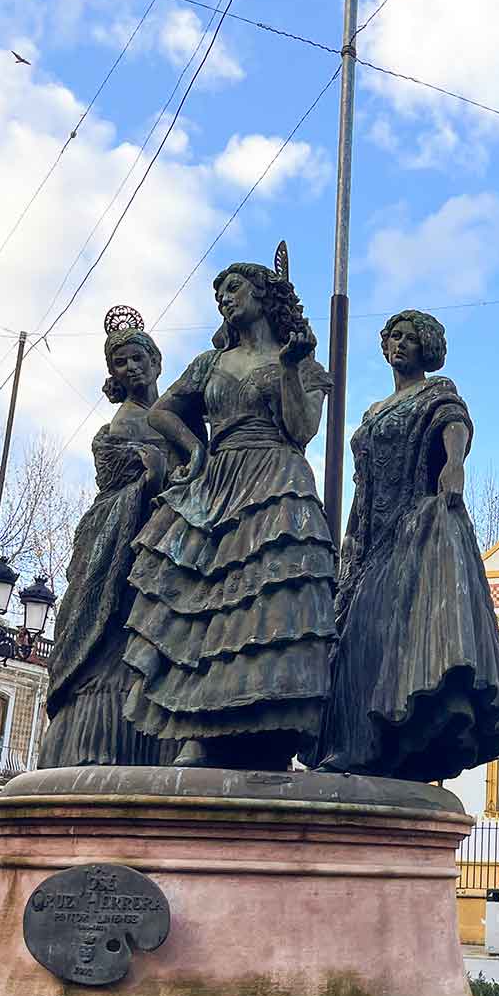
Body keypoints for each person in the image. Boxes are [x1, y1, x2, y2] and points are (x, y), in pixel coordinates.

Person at [123, 254, 336, 770]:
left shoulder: (302, 363)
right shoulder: (209, 362)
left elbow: (302, 428)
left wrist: (288, 367)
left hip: (278, 474)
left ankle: (271, 726)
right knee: (205, 603)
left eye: (233, 287)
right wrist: (195, 449)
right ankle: (199, 729)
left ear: (263, 295)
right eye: (219, 293)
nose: (223, 298)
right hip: (219, 481)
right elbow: (162, 411)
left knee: (275, 598)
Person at [321, 308, 499, 781]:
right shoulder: (373, 413)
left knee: (397, 633)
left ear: (425, 347)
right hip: (370, 536)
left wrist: (455, 464)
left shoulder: (437, 391)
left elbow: (455, 423)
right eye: (393, 337)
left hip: (417, 526)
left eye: (409, 338)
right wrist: (351, 535)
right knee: (359, 637)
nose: (399, 345)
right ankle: (356, 744)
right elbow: (363, 480)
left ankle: (386, 741)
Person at [40, 308, 174, 768]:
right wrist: (157, 470)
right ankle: (99, 741)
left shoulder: (176, 413)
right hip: (123, 537)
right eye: (120, 363)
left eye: (138, 358)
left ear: (156, 361)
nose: (131, 368)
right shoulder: (123, 422)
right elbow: (126, 473)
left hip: (170, 541)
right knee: (113, 636)